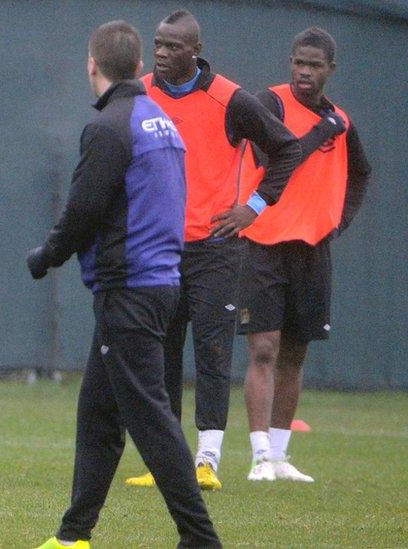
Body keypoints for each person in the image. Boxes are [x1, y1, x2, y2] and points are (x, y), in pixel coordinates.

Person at [27, 20, 221, 549]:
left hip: (131, 290)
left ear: (92, 64)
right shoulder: (158, 118)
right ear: (138, 66)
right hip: (156, 283)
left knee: (151, 420)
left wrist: (46, 256)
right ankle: (73, 537)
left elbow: (85, 208)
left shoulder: (110, 126)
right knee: (99, 417)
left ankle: (200, 538)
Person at [125, 9, 301, 491]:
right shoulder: (140, 92)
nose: (161, 53)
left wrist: (254, 206)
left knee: (212, 349)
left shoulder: (231, 100)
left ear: (195, 51)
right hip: (158, 247)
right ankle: (165, 459)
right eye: (157, 44)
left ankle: (207, 459)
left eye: (173, 46)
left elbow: (287, 149)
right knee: (162, 351)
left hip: (216, 247)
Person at [238, 27, 370, 482]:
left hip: (312, 250)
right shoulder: (269, 104)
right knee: (263, 349)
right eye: (298, 62)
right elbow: (273, 160)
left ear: (330, 70)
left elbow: (361, 175)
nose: (303, 72)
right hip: (264, 243)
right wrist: (320, 132)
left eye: (313, 65)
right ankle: (258, 458)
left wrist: (339, 219)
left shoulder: (341, 121)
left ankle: (279, 456)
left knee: (295, 353)